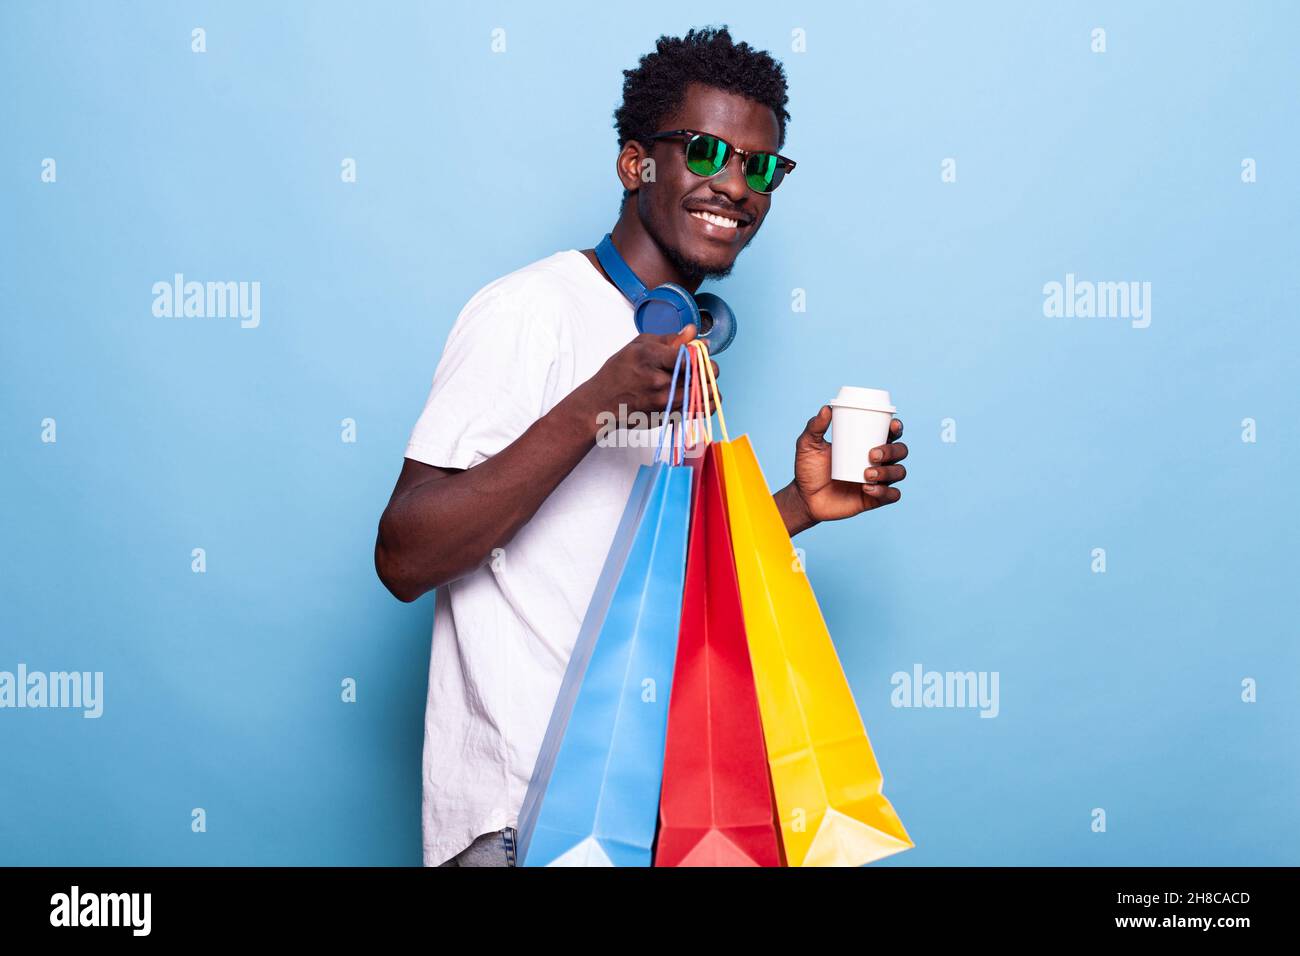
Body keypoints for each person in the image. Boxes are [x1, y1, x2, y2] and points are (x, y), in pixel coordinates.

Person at [374, 26, 908, 867]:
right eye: (706, 152)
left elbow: (654, 580)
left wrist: (798, 508)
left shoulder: (683, 355)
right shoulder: (531, 311)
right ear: (635, 165)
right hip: (525, 823)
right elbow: (404, 555)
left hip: (647, 821)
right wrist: (596, 404)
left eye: (760, 166)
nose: (734, 186)